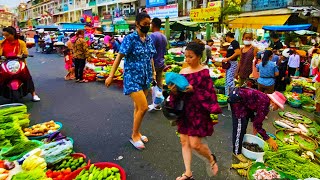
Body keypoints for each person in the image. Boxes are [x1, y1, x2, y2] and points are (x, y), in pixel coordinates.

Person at [169, 40, 221, 180]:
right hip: (185, 111)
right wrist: (173, 91)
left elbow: (210, 93)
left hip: (198, 111)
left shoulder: (204, 72)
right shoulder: (183, 71)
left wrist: (194, 89)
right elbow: (178, 94)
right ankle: (188, 173)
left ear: (199, 56)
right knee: (184, 142)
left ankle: (211, 159)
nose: (187, 59)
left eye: (190, 56)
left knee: (195, 144)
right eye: (186, 56)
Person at [105, 13, 156, 150]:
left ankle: (138, 132)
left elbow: (150, 57)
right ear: (137, 24)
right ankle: (134, 136)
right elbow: (119, 57)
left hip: (145, 77)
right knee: (144, 107)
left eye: (148, 24)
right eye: (145, 24)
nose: (147, 26)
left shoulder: (149, 39)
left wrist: (154, 72)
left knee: (138, 108)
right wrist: (111, 75)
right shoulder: (130, 39)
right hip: (132, 78)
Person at [229, 88, 285, 162]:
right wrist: (268, 139)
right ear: (273, 102)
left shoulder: (265, 101)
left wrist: (254, 125)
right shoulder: (264, 104)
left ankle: (239, 142)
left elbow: (255, 115)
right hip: (237, 100)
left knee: (244, 123)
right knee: (240, 127)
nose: (276, 109)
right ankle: (236, 152)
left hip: (244, 102)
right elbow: (257, 124)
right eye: (277, 107)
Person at [0, 26, 40, 102]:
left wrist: (22, 55)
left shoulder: (21, 43)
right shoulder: (2, 43)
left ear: (13, 34)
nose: (6, 37)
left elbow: (25, 53)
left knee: (27, 77)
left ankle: (34, 94)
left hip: (18, 63)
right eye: (4, 35)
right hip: (5, 63)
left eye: (7, 35)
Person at [150, 18, 167, 88]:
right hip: (161, 63)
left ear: (153, 24)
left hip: (154, 64)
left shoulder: (153, 36)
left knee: (151, 84)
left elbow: (150, 51)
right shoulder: (164, 36)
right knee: (159, 83)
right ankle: (159, 97)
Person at [311, 48, 320, 115]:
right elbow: (315, 65)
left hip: (318, 80)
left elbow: (315, 65)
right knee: (318, 99)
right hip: (319, 80)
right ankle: (317, 113)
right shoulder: (317, 57)